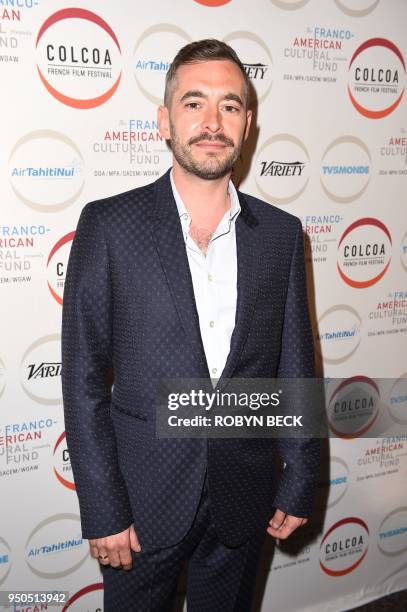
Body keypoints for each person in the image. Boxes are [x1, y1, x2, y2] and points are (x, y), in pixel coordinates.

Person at [61, 39, 320, 612]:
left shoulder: (281, 234)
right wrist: (103, 507)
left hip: (244, 496)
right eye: (194, 103)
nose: (211, 122)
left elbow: (294, 365)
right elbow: (81, 381)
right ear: (164, 120)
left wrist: (302, 474)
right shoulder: (109, 225)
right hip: (140, 500)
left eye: (229, 106)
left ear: (247, 124)